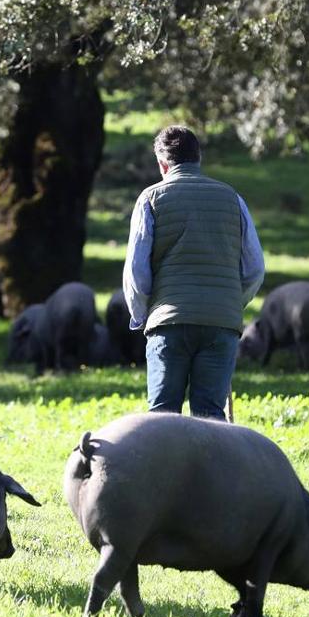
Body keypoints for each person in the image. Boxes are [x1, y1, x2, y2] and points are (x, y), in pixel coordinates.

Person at [122, 125, 264, 420]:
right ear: (198, 158)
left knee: (163, 417)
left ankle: (164, 468)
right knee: (211, 417)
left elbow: (137, 271)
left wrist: (142, 315)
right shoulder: (233, 199)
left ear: (162, 164)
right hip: (221, 323)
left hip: (169, 322)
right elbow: (254, 269)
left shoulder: (150, 198)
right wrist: (231, 304)